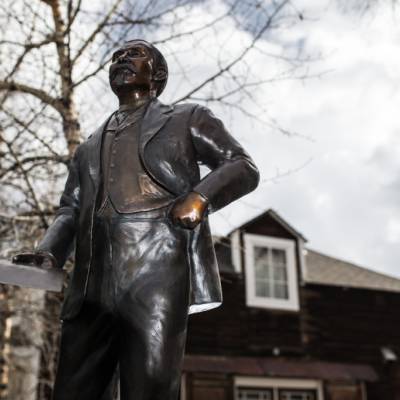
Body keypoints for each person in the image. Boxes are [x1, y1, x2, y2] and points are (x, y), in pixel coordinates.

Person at [13, 39, 259, 400]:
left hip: (155, 277)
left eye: (134, 54)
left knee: (150, 389)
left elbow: (242, 166)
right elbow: (70, 208)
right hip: (90, 286)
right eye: (115, 57)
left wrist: (199, 198)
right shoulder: (87, 147)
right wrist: (49, 251)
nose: (122, 60)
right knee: (73, 390)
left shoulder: (187, 118)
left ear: (156, 73)